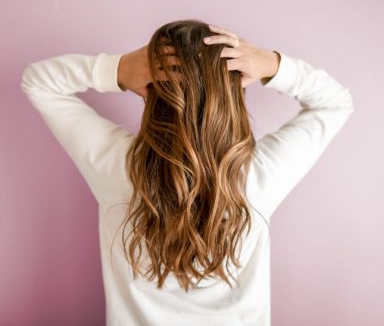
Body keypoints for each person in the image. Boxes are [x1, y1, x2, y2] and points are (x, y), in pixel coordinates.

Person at [20, 19, 354, 326]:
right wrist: (272, 65)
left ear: (151, 90)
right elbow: (335, 102)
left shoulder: (119, 167)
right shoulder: (257, 176)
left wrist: (117, 69)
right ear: (233, 95)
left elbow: (38, 81)